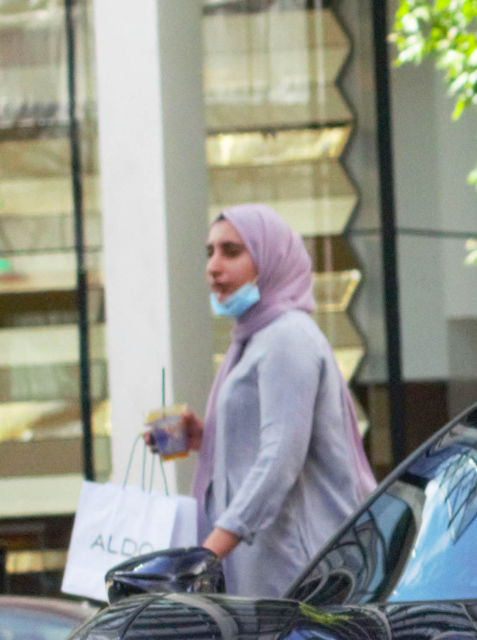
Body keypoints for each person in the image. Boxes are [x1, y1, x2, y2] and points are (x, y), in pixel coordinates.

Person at [156, 203, 376, 598]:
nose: (213, 266)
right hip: (271, 575)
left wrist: (208, 553)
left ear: (270, 258)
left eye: (232, 251)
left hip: (298, 576)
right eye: (210, 253)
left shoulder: (286, 337)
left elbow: (280, 458)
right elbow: (273, 440)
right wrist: (204, 439)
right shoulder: (253, 339)